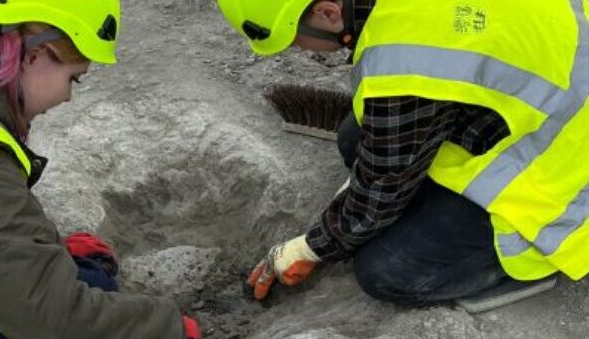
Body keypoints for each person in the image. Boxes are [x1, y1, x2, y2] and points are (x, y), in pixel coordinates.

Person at [218, 0, 589, 311]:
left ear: (329, 14)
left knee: (388, 270)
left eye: (296, 41)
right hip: (552, 85)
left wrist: (312, 246)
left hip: (566, 169)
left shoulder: (407, 60)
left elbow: (377, 198)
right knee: (356, 136)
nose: (300, 50)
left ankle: (527, 263)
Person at [0, 0, 200, 339]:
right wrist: (171, 331)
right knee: (90, 285)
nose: (67, 98)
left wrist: (44, 249)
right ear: (36, 54)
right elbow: (48, 319)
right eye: (74, 78)